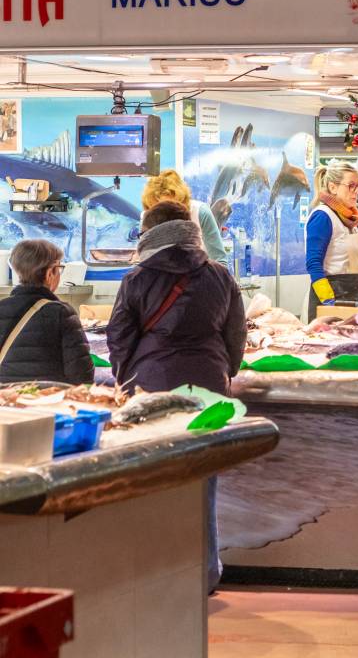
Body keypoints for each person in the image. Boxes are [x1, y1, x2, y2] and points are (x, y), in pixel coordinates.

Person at [106, 201, 245, 595]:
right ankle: (205, 575)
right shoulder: (220, 276)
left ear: (150, 233)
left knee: (152, 478)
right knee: (205, 481)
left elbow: (117, 337)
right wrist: (223, 372)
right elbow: (236, 336)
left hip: (150, 388)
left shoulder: (137, 278)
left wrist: (127, 374)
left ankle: (153, 572)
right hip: (210, 391)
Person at [0, 239, 93, 385]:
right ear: (50, 273)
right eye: (59, 268)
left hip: (6, 402)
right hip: (48, 400)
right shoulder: (62, 313)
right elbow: (80, 374)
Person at [305, 161, 358, 320]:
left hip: (352, 295)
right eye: (350, 186)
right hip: (332, 297)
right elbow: (313, 263)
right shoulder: (323, 216)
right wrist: (328, 301)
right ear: (333, 187)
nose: (356, 192)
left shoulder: (349, 219)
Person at [142, 170, 228, 263]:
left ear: (182, 201)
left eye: (171, 208)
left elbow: (220, 260)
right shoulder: (147, 218)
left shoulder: (200, 212)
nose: (165, 216)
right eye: (158, 209)